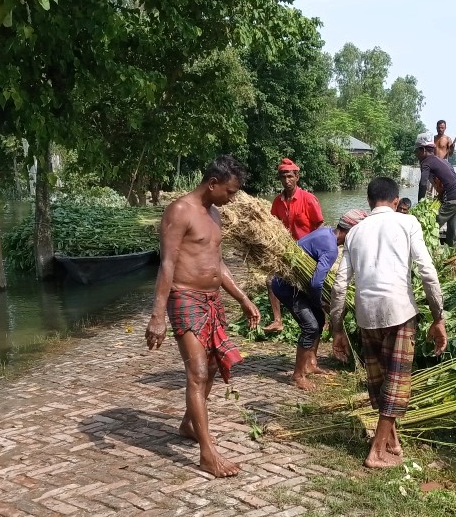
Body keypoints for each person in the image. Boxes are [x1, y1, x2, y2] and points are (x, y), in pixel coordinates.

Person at [145, 155, 261, 478]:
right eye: (230, 191)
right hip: (184, 297)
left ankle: (188, 424)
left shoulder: (215, 215)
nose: (232, 198)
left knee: (211, 366)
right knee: (196, 370)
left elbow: (217, 264)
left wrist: (243, 298)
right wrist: (158, 315)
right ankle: (207, 453)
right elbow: (167, 264)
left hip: (212, 300)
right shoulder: (179, 211)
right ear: (213, 184)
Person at [331, 177, 447, 469]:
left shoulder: (355, 232)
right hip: (399, 312)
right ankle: (376, 452)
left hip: (366, 314)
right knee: (396, 383)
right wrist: (438, 316)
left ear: (370, 202)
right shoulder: (407, 223)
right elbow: (427, 271)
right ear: (396, 202)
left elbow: (340, 285)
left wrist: (336, 328)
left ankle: (392, 442)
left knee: (381, 380)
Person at [271, 210, 366, 390]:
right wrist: (320, 303)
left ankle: (310, 363)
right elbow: (315, 284)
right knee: (311, 326)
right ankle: (297, 375)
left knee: (320, 320)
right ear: (352, 232)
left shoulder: (327, 232)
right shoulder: (331, 249)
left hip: (295, 284)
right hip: (285, 285)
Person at [264, 158, 324, 334]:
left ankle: (322, 319)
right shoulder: (277, 201)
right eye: (283, 177)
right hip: (286, 250)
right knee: (270, 281)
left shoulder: (308, 199)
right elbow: (274, 225)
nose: (286, 180)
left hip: (307, 252)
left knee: (312, 285)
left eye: (290, 176)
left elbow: (319, 225)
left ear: (297, 177)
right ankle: (278, 320)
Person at [416, 134, 456, 246]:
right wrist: (441, 194)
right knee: (452, 237)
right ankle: (452, 256)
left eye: (416, 151)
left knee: (430, 226)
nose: (416, 154)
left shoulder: (426, 162)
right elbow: (453, 179)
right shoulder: (444, 162)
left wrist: (420, 205)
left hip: (451, 200)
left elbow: (423, 183)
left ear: (422, 150)